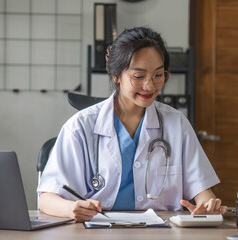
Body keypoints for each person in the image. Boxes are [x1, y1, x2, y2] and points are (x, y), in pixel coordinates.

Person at [37, 27, 226, 222]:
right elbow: (46, 199)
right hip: (97, 232)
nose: (150, 86)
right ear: (116, 75)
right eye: (138, 76)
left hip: (161, 233)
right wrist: (71, 208)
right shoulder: (79, 127)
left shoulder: (176, 124)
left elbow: (202, 190)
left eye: (158, 75)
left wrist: (208, 205)